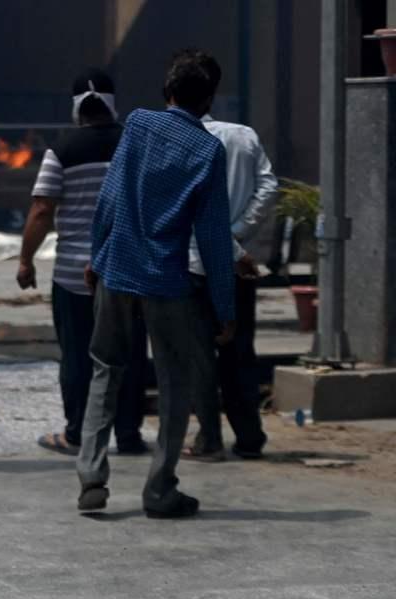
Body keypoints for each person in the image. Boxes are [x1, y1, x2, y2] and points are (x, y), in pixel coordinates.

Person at [76, 49, 238, 518]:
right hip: (167, 280)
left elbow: (111, 196)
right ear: (208, 101)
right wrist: (224, 307)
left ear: (167, 92)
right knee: (174, 381)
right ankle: (159, 488)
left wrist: (96, 254)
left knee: (105, 369)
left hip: (118, 269)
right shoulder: (209, 150)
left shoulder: (139, 125)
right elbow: (212, 239)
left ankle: (91, 478)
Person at [18, 70, 149, 458]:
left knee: (77, 356)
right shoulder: (136, 145)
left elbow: (42, 209)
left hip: (73, 274)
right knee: (129, 354)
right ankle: (128, 435)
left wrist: (26, 260)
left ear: (76, 107)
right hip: (129, 271)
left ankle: (77, 434)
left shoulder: (61, 149)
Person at [181, 55, 278, 462]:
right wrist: (236, 237)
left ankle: (209, 438)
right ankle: (249, 436)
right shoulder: (244, 136)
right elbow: (269, 188)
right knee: (239, 352)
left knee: (199, 353)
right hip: (237, 265)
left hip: (192, 266)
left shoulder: (179, 141)